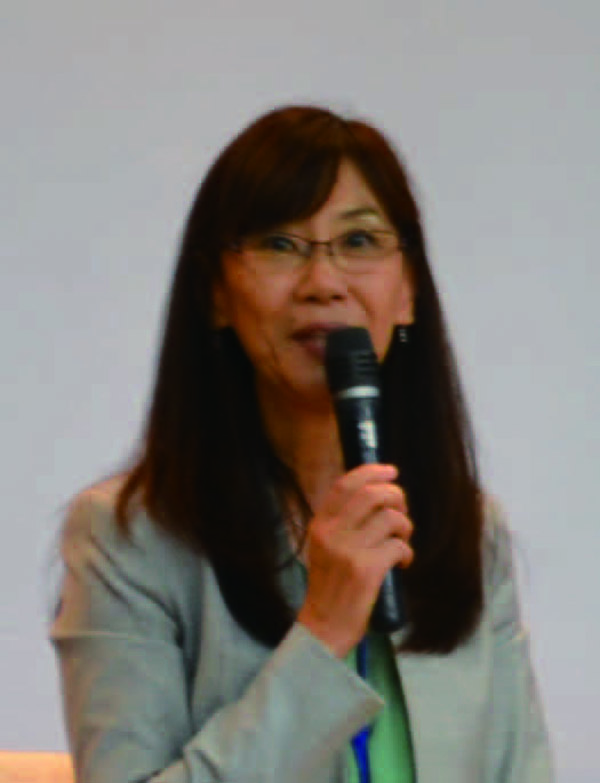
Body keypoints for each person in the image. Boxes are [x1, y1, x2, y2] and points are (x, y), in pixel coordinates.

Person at [50, 105, 554, 783]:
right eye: (280, 245)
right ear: (216, 294)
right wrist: (323, 630)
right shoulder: (128, 538)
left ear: (408, 290)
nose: (323, 282)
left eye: (359, 241)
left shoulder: (468, 529)